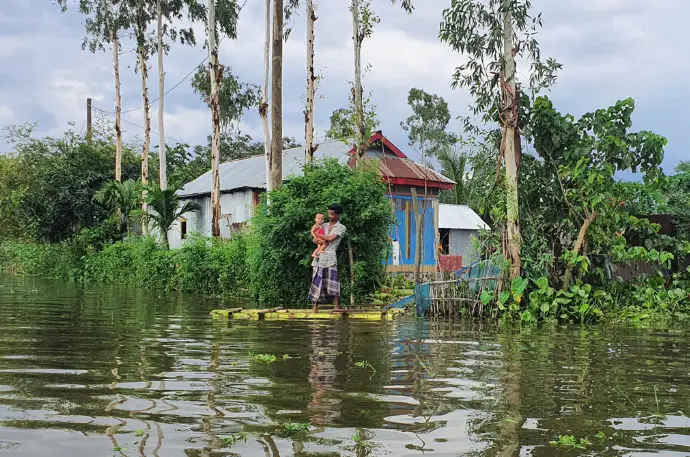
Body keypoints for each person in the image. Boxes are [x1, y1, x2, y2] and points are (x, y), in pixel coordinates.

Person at [308, 204, 346, 313]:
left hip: (330, 257)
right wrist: (319, 238)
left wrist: (319, 236)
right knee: (316, 280)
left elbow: (331, 238)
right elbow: (314, 240)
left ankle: (336, 306)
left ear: (338, 215)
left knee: (333, 281)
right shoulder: (323, 225)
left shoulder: (341, 227)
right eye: (329, 214)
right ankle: (315, 308)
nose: (329, 216)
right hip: (319, 256)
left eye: (332, 214)